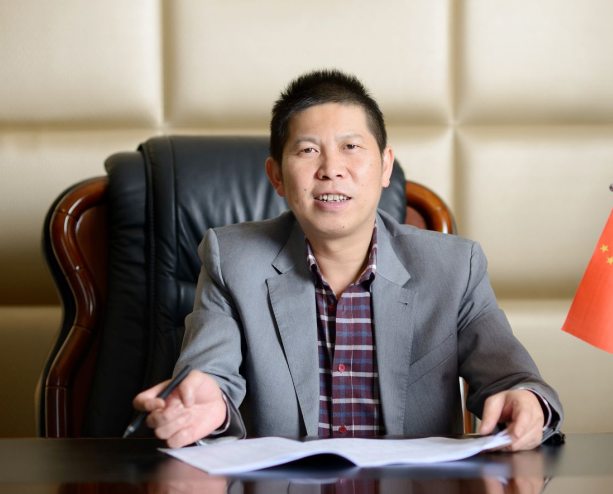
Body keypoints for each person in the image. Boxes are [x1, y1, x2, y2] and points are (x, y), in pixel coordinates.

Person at [133, 69, 563, 450]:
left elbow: (512, 377)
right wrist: (209, 408)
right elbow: (209, 378)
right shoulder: (233, 261)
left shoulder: (453, 267)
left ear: (385, 166)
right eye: (307, 150)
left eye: (351, 146)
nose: (331, 169)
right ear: (277, 176)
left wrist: (526, 402)